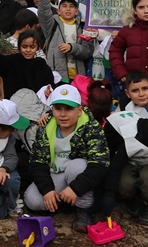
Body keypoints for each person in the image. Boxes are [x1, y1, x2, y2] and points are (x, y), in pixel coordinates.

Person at [24, 85, 110, 231]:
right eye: (58, 108)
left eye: (69, 109)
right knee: (32, 200)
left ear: (80, 110)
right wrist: (47, 190)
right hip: (55, 174)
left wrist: (76, 188)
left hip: (77, 176)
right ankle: (64, 201)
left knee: (77, 166)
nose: (63, 114)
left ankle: (84, 210)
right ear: (52, 109)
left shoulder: (91, 127)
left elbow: (100, 164)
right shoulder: (45, 127)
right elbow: (37, 162)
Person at [38, 0, 94, 82]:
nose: (68, 9)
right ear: (58, 11)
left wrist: (72, 47)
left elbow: (88, 51)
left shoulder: (83, 27)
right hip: (57, 76)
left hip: (78, 77)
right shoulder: (52, 25)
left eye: (71, 6)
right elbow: (43, 13)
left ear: (76, 11)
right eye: (64, 6)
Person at [0, 30, 55, 99]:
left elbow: (50, 87)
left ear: (37, 48)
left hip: (37, 108)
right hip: (14, 107)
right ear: (19, 47)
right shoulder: (11, 62)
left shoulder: (43, 67)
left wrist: (48, 92)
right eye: (24, 47)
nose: (28, 50)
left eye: (32, 47)